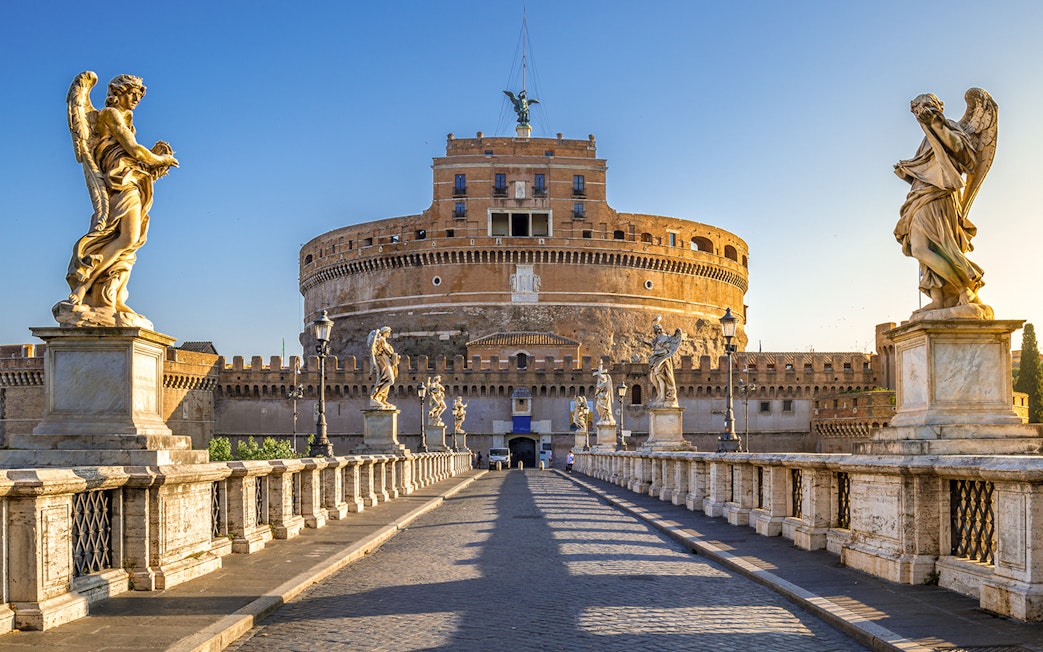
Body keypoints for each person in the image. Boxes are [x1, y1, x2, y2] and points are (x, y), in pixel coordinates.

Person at [62, 72, 178, 323]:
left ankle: (112, 297)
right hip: (120, 183)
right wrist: (162, 159)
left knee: (128, 241)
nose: (136, 98)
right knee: (126, 237)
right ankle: (84, 287)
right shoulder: (110, 115)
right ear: (119, 93)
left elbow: (132, 157)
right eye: (132, 93)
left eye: (139, 94)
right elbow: (134, 150)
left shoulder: (126, 120)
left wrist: (152, 165)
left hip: (130, 181)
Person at [893, 89, 997, 315]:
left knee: (942, 246)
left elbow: (965, 158)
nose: (921, 112)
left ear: (936, 107)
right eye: (917, 109)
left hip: (941, 197)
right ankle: (938, 298)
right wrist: (908, 175)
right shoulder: (925, 141)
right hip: (921, 196)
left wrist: (938, 126)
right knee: (920, 248)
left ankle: (965, 288)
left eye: (925, 106)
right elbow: (930, 170)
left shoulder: (948, 125)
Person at [644, 316, 684, 407]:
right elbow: (653, 346)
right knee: (653, 378)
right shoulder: (656, 339)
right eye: (656, 330)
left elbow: (667, 351)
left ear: (661, 329)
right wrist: (647, 343)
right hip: (656, 359)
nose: (657, 331)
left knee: (660, 378)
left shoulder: (666, 338)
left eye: (658, 329)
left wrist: (659, 352)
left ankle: (662, 397)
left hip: (663, 360)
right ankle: (660, 395)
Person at [368, 326, 399, 408]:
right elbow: (387, 351)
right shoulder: (381, 340)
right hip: (383, 362)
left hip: (386, 361)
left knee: (387, 380)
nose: (389, 334)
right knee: (389, 380)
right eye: (388, 332)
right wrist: (394, 355)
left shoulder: (382, 340)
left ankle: (382, 398)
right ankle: (375, 397)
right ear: (385, 332)